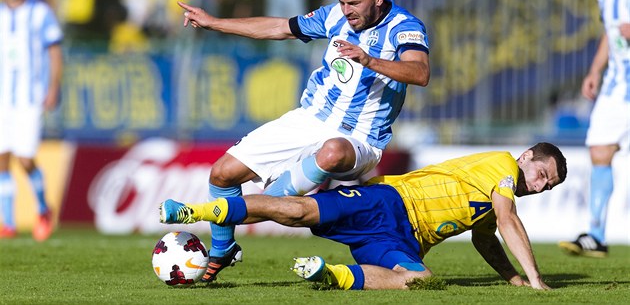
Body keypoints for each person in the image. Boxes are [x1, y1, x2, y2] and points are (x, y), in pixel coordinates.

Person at [175, 0, 430, 282]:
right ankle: (223, 250)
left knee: (330, 153)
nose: (346, 9)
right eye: (341, 1)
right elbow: (281, 27)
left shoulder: (404, 27)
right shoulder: (334, 16)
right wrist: (215, 23)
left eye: (354, 2)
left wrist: (370, 59)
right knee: (222, 174)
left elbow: (420, 72)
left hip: (361, 138)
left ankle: (275, 201)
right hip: (310, 118)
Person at [160, 142, 567, 290]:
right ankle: (191, 210)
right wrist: (535, 281)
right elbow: (508, 219)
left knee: (420, 280)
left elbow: (485, 238)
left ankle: (329, 275)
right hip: (389, 201)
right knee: (299, 211)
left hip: (402, 241)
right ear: (526, 156)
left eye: (546, 186)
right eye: (542, 175)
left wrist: (512, 279)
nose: (539, 185)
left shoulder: (492, 195)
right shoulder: (502, 167)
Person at [558, 0, 630, 258]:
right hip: (616, 88)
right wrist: (594, 70)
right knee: (599, 150)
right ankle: (596, 235)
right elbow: (609, 32)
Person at [0, 0, 63, 241]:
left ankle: (42, 209)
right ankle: (8, 223)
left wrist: (53, 87)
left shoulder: (39, 13)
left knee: (25, 159)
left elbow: (54, 52)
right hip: (3, 97)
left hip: (29, 98)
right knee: (2, 159)